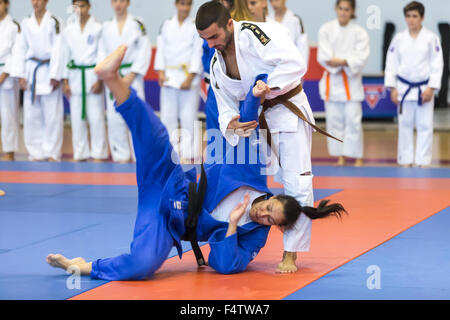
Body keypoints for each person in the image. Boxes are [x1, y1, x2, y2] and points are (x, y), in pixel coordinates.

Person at [46, 45, 346, 280]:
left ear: (275, 227)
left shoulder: (254, 237)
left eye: (271, 220)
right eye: (269, 208)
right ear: (274, 196)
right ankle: (112, 79)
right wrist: (254, 98)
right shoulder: (251, 171)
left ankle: (84, 267)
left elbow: (224, 265)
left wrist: (230, 226)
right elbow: (249, 125)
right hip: (171, 183)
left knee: (144, 265)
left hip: (170, 222)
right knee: (157, 138)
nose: (262, 215)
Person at [195, 1, 334, 273]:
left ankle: (291, 252)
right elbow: (222, 98)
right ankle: (225, 224)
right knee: (248, 178)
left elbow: (295, 63)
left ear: (230, 24)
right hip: (254, 121)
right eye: (204, 39)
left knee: (297, 181)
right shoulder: (216, 61)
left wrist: (267, 86)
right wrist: (228, 120)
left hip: (285, 111)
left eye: (214, 36)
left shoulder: (257, 35)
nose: (211, 44)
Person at [385, 1, 443, 168]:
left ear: (422, 17)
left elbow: (437, 64)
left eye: (415, 16)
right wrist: (393, 87)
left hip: (423, 89)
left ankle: (423, 161)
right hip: (403, 88)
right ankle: (405, 159)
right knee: (404, 125)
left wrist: (431, 88)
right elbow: (391, 64)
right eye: (408, 16)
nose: (411, 20)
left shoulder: (431, 38)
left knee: (425, 125)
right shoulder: (398, 38)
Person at [10, 0, 65, 162]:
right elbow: (19, 49)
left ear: (46, 1)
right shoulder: (26, 23)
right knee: (31, 115)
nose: (36, 2)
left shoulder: (55, 22)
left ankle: (52, 152)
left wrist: (55, 74)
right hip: (31, 72)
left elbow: (59, 48)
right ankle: (35, 152)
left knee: (52, 115)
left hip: (48, 71)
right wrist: (20, 74)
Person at [317, 0, 370, 167]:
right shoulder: (326, 29)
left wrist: (342, 61)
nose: (343, 12)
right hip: (332, 83)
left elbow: (361, 57)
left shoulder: (360, 32)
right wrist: (345, 61)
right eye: (341, 8)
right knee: (334, 122)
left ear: (352, 11)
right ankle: (340, 156)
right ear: (336, 9)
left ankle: (357, 156)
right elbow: (324, 57)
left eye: (347, 9)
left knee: (353, 121)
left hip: (352, 83)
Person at [98, 0, 151, 163]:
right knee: (114, 117)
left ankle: (140, 156)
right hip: (112, 77)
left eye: (121, 1)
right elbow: (102, 53)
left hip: (131, 76)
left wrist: (132, 74)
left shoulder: (137, 23)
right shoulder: (106, 26)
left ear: (127, 3)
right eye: (114, 1)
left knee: (136, 115)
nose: (118, 4)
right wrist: (108, 74)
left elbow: (144, 49)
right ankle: (120, 155)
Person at [203, 0, 254, 164]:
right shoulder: (208, 22)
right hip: (218, 86)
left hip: (244, 90)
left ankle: (247, 183)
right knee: (216, 138)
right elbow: (206, 55)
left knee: (246, 143)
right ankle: (216, 180)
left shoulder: (244, 26)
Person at [154, 0, 203, 164]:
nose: (185, 8)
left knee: (188, 116)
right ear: (176, 5)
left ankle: (190, 154)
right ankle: (171, 152)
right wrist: (160, 71)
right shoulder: (167, 25)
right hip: (169, 75)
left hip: (188, 76)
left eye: (188, 4)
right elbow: (161, 49)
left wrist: (190, 77)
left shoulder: (195, 26)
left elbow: (198, 52)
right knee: (168, 116)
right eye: (182, 4)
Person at [62, 0, 108, 162]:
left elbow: (101, 54)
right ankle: (80, 153)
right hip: (75, 76)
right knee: (76, 118)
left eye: (82, 6)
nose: (79, 10)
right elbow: (65, 55)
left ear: (89, 7)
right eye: (76, 7)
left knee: (96, 117)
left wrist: (100, 79)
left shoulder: (97, 27)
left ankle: (99, 153)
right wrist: (65, 80)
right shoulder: (68, 30)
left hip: (92, 75)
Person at [0, 0, 20, 161]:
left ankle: (9, 151)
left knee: (8, 115)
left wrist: (3, 74)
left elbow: (15, 53)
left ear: (6, 4)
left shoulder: (13, 26)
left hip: (6, 76)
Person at [268, 0, 309, 68]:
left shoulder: (295, 20)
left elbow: (302, 47)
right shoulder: (267, 20)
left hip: (292, 65)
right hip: (271, 66)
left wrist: (301, 69)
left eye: (276, 0)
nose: (273, 4)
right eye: (271, 1)